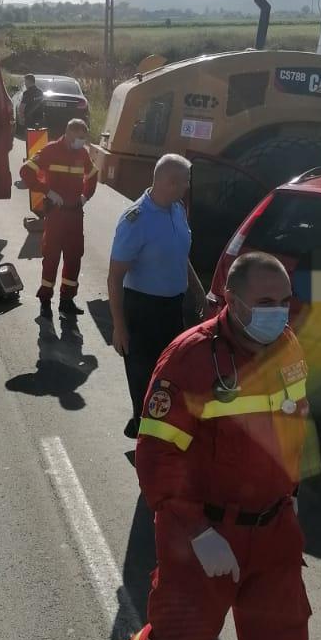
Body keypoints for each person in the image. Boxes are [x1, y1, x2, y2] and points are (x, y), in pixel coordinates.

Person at [92, 252, 321, 640]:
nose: (278, 314)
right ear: (231, 299)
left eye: (285, 302)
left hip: (273, 532)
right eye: (265, 303)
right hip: (203, 535)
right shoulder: (189, 360)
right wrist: (197, 531)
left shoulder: (288, 349)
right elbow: (157, 456)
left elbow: (295, 428)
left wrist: (295, 496)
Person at [109, 153, 206, 439]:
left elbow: (180, 254)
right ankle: (144, 436)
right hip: (143, 310)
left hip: (172, 307)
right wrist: (119, 327)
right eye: (184, 182)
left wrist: (197, 289)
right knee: (143, 378)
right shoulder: (136, 220)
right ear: (170, 182)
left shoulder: (178, 210)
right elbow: (114, 277)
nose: (187, 187)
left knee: (169, 375)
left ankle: (149, 425)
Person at [19, 116, 97, 317]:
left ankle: (67, 301)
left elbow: (92, 174)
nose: (81, 141)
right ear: (68, 133)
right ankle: (45, 301)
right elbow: (26, 171)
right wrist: (48, 191)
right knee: (51, 257)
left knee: (74, 257)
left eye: (83, 138)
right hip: (56, 214)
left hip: (75, 215)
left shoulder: (82, 153)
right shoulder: (51, 150)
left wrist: (85, 196)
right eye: (78, 137)